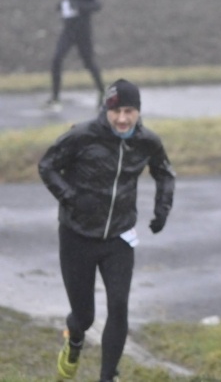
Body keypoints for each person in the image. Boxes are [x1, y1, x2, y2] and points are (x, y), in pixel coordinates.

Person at [38, 79, 176, 382]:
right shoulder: (82, 135)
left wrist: (162, 208)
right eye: (116, 111)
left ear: (138, 112)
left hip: (119, 236)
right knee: (84, 317)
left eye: (130, 111)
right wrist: (70, 197)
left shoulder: (146, 141)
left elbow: (165, 173)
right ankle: (74, 339)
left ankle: (107, 376)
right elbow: (47, 165)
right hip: (77, 236)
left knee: (119, 305)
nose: (123, 119)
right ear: (106, 110)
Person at [45, 0, 105, 113]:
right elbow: (68, 0)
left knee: (89, 63)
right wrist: (61, 6)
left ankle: (103, 93)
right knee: (56, 60)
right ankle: (55, 98)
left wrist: (78, 6)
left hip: (82, 31)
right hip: (68, 30)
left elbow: (97, 5)